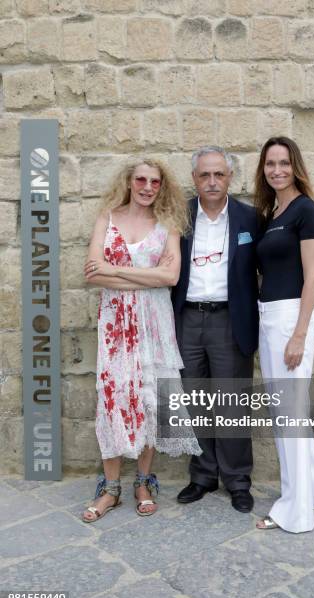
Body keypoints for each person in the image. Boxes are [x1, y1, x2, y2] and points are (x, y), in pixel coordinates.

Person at [82, 158, 201, 522]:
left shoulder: (168, 225)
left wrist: (114, 269)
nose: (148, 187)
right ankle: (112, 488)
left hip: (154, 322)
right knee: (114, 397)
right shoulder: (108, 217)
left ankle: (144, 483)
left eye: (154, 181)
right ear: (129, 182)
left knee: (151, 400)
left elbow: (170, 276)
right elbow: (92, 274)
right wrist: (142, 275)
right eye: (141, 180)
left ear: (161, 186)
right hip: (116, 323)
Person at [172, 146, 261, 513]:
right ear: (194, 179)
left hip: (230, 320)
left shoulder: (250, 218)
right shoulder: (177, 216)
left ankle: (238, 480)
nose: (212, 181)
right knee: (195, 402)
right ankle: (203, 475)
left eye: (219, 174)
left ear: (229, 178)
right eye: (204, 175)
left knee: (231, 402)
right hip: (187, 318)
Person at [254, 136, 314, 533]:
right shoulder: (274, 211)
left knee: (289, 417)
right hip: (268, 318)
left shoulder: (306, 210)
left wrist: (300, 334)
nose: (277, 170)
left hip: (290, 320)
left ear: (295, 165)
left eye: (284, 163)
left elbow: (313, 275)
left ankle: (294, 511)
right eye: (270, 164)